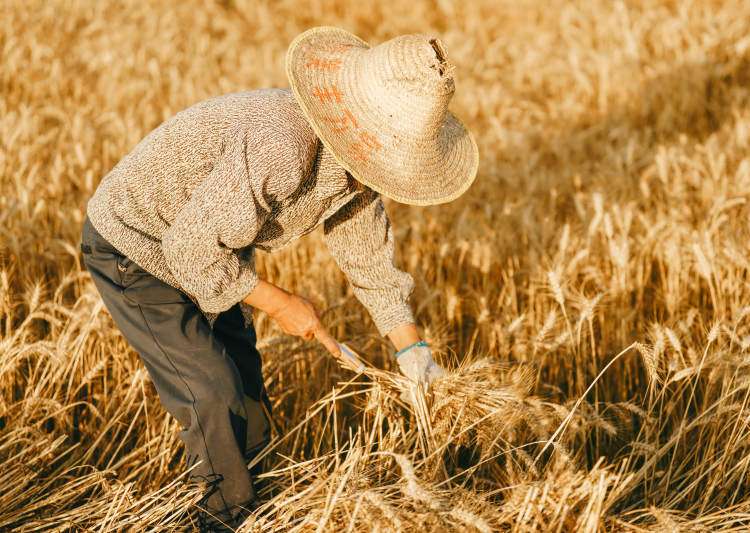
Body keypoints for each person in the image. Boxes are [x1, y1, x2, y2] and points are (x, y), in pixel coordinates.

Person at [80, 26, 478, 530]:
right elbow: (188, 245)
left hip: (213, 250)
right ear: (360, 131)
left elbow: (370, 261)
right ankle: (221, 520)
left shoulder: (359, 174)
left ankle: (255, 511)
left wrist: (412, 353)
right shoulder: (282, 145)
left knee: (248, 396)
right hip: (135, 245)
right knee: (213, 391)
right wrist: (282, 303)